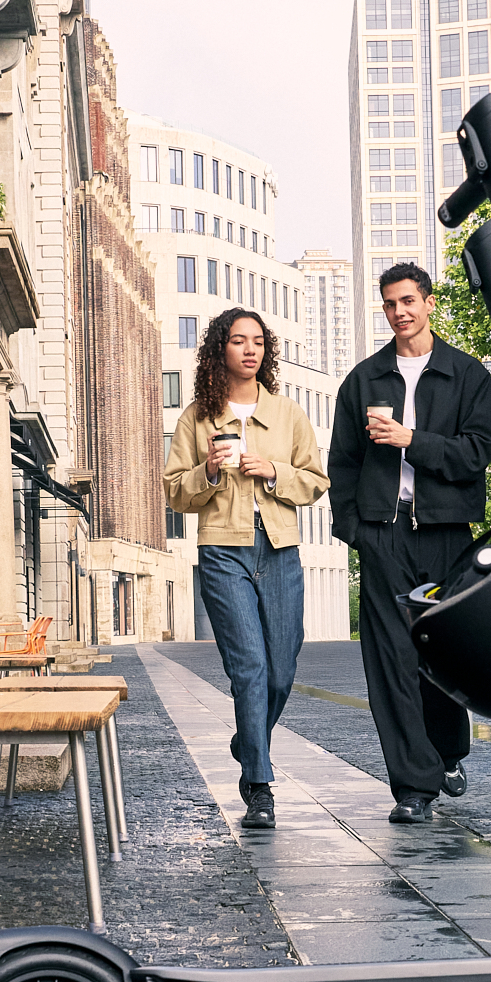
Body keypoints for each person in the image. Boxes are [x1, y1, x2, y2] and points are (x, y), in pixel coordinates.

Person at [326, 263, 491, 823]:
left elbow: (477, 454)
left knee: (443, 655)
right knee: (391, 662)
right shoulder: (363, 381)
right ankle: (413, 788)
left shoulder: (467, 375)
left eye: (408, 301)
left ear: (428, 303)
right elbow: (343, 463)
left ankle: (448, 752)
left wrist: (412, 441)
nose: (399, 312)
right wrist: (356, 531)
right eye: (389, 304)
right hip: (384, 534)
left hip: (448, 535)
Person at [163, 307, 328, 831]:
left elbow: (316, 481)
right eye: (239, 341)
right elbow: (173, 491)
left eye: (258, 341)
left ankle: (245, 739)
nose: (250, 349)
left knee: (281, 669)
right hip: (222, 550)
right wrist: (208, 470)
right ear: (221, 350)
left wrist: (274, 470)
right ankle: (260, 785)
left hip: (279, 548)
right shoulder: (197, 416)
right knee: (250, 669)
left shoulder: (287, 414)